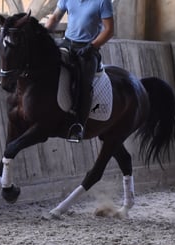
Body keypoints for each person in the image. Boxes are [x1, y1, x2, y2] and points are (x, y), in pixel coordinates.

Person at [45, 0, 114, 142]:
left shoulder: (102, 2)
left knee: (84, 85)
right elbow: (55, 17)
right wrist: (44, 33)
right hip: (67, 43)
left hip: (88, 49)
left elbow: (109, 30)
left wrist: (92, 47)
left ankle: (78, 126)